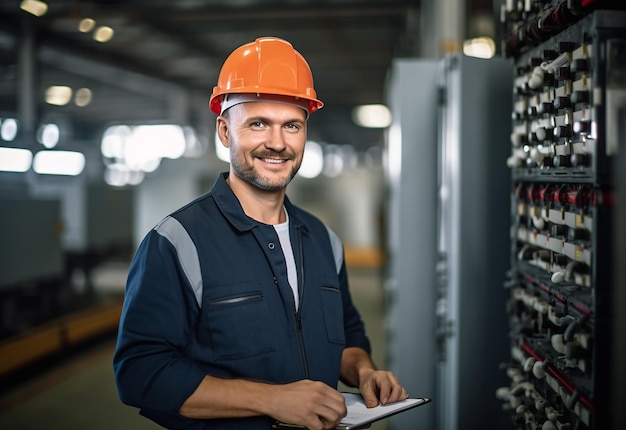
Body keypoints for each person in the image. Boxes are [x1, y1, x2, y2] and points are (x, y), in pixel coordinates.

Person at [113, 36, 407, 430]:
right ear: (224, 130)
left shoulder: (322, 240)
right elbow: (140, 372)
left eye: (292, 125)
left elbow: (347, 335)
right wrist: (273, 400)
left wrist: (365, 372)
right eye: (257, 123)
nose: (277, 143)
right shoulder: (177, 242)